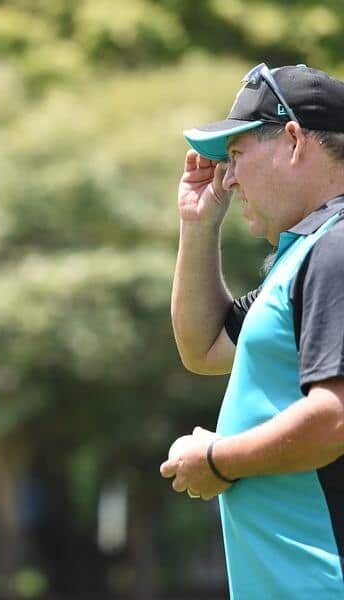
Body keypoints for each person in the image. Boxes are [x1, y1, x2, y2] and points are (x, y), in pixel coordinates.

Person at [161, 63, 344, 598]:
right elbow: (206, 346)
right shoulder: (310, 249)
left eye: (237, 155)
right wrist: (198, 224)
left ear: (292, 139)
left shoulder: (336, 249)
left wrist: (218, 462)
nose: (229, 176)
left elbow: (335, 419)